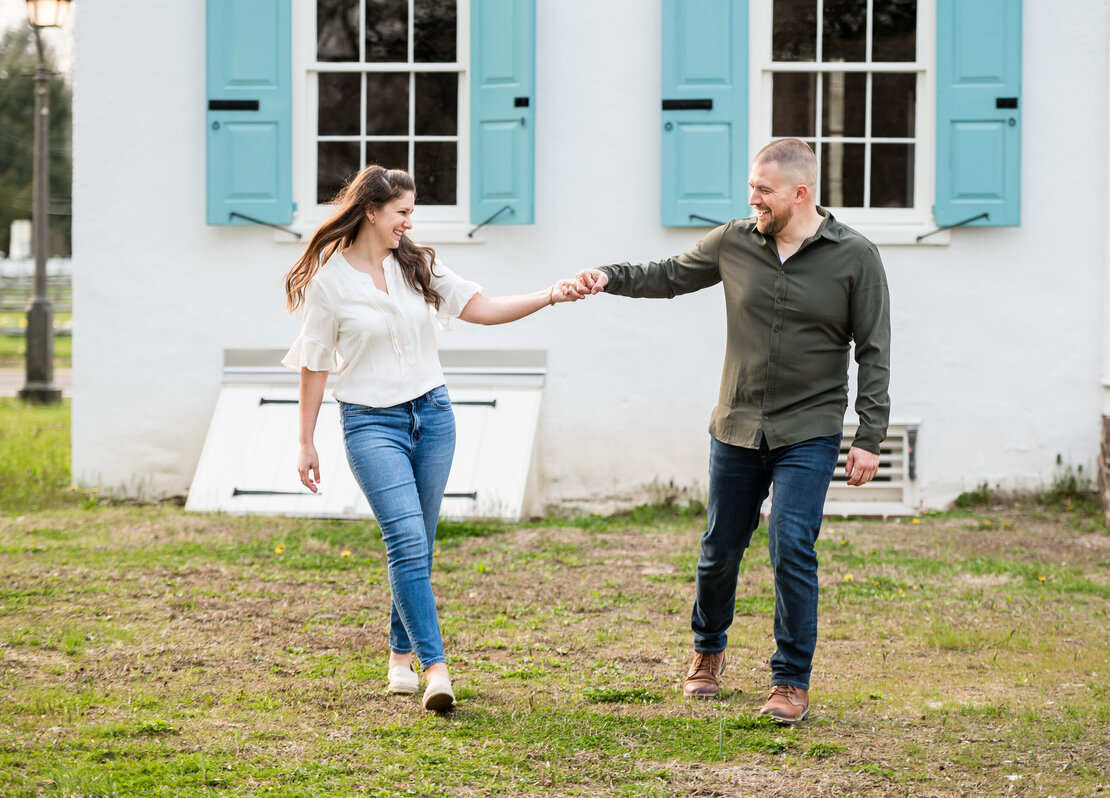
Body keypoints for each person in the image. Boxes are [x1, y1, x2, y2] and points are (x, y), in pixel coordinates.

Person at [571, 139, 890, 724]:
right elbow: (667, 275)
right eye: (751, 188)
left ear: (801, 193)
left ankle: (790, 682)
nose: (753, 200)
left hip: (810, 428)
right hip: (738, 424)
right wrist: (607, 277)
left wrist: (870, 436)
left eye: (764, 191)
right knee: (719, 550)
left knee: (791, 546)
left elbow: (874, 350)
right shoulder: (734, 241)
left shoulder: (856, 257)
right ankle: (707, 653)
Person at [283, 165, 580, 713]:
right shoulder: (329, 284)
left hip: (433, 416)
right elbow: (314, 365)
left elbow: (483, 311)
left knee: (418, 542)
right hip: (370, 424)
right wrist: (305, 442)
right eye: (401, 213)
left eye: (410, 214)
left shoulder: (418, 264)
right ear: (372, 211)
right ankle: (436, 670)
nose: (408, 223)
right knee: (406, 543)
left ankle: (400, 655)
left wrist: (551, 296)